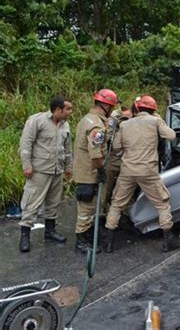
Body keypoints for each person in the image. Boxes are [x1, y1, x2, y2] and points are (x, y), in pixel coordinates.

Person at [103, 95, 179, 253]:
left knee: (117, 204)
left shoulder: (125, 125)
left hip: (128, 170)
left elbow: (116, 147)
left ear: (136, 108)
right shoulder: (155, 121)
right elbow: (171, 136)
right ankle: (168, 240)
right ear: (153, 110)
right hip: (148, 171)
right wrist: (158, 120)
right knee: (162, 204)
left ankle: (109, 242)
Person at [18, 96, 73, 252]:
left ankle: (50, 232)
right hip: (39, 170)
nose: (70, 112)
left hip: (57, 170)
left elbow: (67, 148)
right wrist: (27, 165)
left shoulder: (65, 125)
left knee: (53, 202)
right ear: (58, 109)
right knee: (32, 202)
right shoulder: (37, 121)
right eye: (68, 109)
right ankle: (25, 236)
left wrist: (69, 167)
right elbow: (26, 143)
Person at [73, 88, 118, 253]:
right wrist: (100, 170)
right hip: (89, 173)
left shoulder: (88, 119)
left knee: (90, 206)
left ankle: (87, 236)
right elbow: (95, 153)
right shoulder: (96, 126)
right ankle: (81, 241)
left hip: (84, 170)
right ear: (106, 106)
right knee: (87, 208)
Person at [102, 106, 133, 216]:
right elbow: (106, 137)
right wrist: (115, 124)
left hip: (127, 160)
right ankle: (104, 210)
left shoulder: (134, 121)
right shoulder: (114, 119)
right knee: (107, 188)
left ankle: (121, 213)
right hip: (113, 158)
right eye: (127, 116)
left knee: (124, 189)